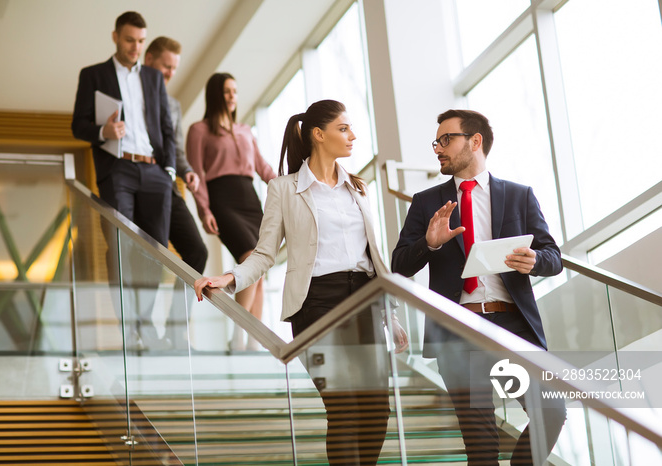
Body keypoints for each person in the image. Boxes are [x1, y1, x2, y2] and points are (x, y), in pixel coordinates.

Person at [193, 100, 409, 465]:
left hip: (367, 299)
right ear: (318, 134)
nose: (352, 135)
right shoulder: (283, 188)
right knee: (343, 408)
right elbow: (264, 254)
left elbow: (374, 256)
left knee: (376, 411)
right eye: (343, 128)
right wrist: (230, 277)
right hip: (317, 303)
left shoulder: (357, 187)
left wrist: (393, 314)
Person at [391, 109, 566, 465]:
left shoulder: (518, 195)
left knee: (550, 412)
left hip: (512, 327)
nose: (438, 148)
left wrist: (534, 260)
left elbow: (553, 256)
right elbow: (399, 265)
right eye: (435, 142)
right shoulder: (426, 202)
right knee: (481, 441)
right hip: (457, 330)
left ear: (475, 141)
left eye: (446, 140)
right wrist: (431, 243)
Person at [71, 11, 175, 350]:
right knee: (119, 247)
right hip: (118, 170)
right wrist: (103, 131)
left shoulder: (153, 77)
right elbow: (78, 125)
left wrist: (169, 169)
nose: (136, 47)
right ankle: (128, 329)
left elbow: (166, 126)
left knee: (155, 251)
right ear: (116, 37)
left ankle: (144, 324)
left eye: (141, 41)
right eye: (130, 40)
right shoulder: (93, 75)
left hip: (154, 171)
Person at [186, 72, 275, 351]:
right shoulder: (199, 130)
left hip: (250, 199)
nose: (232, 96)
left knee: (259, 271)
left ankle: (253, 343)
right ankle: (237, 336)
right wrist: (204, 210)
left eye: (235, 90)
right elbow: (196, 174)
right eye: (226, 91)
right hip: (222, 200)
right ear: (215, 95)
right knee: (249, 258)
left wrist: (291, 186)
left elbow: (263, 168)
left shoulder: (245, 130)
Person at [144, 36, 208, 274]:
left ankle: (179, 313)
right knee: (152, 257)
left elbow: (177, 150)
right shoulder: (131, 98)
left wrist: (188, 171)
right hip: (142, 185)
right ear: (149, 59)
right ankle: (143, 314)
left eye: (174, 68)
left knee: (198, 251)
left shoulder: (173, 106)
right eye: (166, 66)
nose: (171, 73)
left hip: (169, 186)